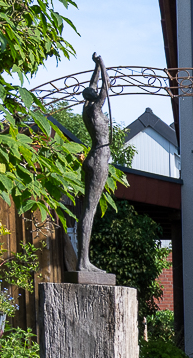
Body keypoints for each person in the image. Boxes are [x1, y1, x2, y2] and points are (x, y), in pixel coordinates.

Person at [74, 54, 111, 274]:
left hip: (92, 157)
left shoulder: (87, 107)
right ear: (93, 97)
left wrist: (96, 67)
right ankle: (83, 262)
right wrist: (103, 64)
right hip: (99, 159)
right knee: (90, 210)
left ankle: (84, 260)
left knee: (88, 210)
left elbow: (94, 85)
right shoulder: (96, 108)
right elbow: (105, 87)